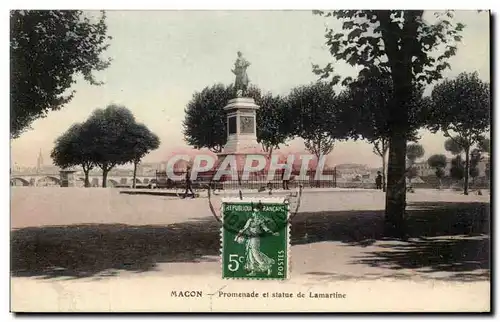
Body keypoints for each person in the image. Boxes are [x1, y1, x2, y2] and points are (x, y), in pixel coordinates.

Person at [234, 207, 279, 276]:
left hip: (255, 239)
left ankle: (267, 267)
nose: (256, 214)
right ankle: (253, 271)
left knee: (255, 253)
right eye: (255, 212)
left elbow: (266, 229)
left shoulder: (260, 221)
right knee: (250, 255)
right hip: (249, 239)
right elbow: (244, 228)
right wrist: (237, 236)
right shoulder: (250, 220)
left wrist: (273, 233)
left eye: (257, 212)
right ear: (253, 213)